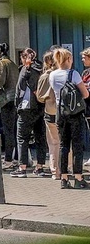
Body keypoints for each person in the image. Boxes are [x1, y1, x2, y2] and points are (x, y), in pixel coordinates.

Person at [49, 48, 89, 189]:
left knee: (63, 145)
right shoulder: (74, 74)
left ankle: (64, 178)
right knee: (77, 145)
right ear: (68, 60)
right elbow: (85, 94)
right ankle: (78, 177)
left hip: (61, 113)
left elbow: (53, 95)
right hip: (75, 113)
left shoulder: (52, 75)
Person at [11, 48, 47, 178]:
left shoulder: (26, 69)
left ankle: (22, 167)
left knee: (22, 138)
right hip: (41, 106)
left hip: (26, 107)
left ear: (24, 57)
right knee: (40, 137)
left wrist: (17, 104)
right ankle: (40, 166)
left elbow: (20, 87)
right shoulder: (41, 68)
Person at [36, 51, 66, 180]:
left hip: (50, 111)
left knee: (53, 142)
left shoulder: (45, 77)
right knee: (65, 141)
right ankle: (67, 167)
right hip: (64, 111)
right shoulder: (65, 74)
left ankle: (55, 170)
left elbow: (40, 96)